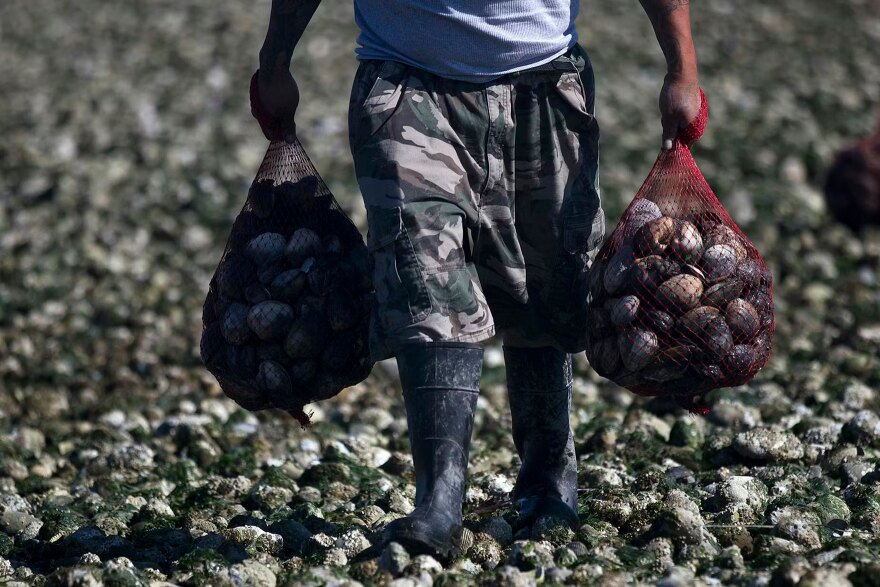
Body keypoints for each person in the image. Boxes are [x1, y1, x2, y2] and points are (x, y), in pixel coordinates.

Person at [252, 0, 702, 558]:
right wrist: (275, 59)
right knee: (422, 273)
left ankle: (547, 481)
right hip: (406, 86)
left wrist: (682, 66)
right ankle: (439, 500)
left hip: (545, 86)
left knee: (546, 284)